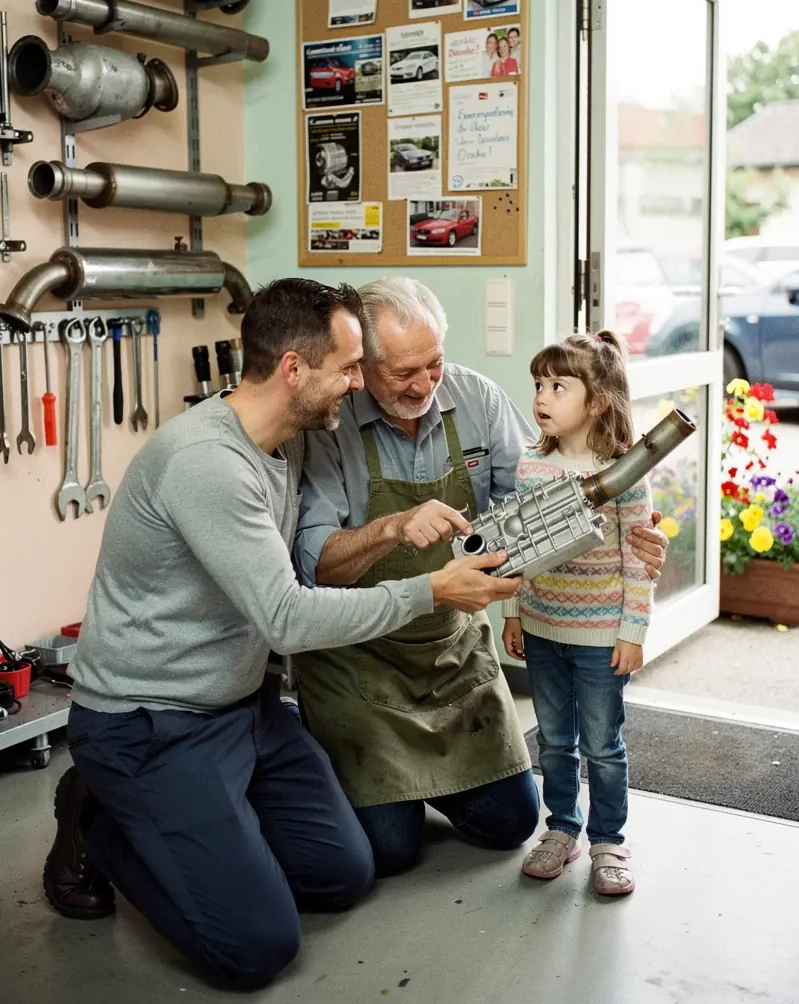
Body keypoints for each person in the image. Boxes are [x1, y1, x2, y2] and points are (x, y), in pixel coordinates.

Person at [42, 279, 521, 992]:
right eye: (350, 370)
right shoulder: (207, 463)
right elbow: (290, 616)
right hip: (152, 720)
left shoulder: (292, 438)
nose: (357, 387)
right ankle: (104, 820)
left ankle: (198, 822)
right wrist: (429, 588)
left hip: (243, 708)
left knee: (343, 873)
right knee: (257, 948)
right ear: (295, 370)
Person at [294, 279, 669, 878]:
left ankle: (420, 784)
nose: (424, 385)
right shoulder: (330, 425)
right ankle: (343, 762)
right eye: (404, 373)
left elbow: (536, 504)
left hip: (451, 656)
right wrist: (391, 529)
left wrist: (629, 533)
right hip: (360, 658)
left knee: (510, 824)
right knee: (391, 851)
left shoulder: (478, 399)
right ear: (363, 365)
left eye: (434, 363)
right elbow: (315, 565)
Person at [502, 330, 653, 897]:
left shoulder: (624, 472)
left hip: (599, 637)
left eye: (558, 386)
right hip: (541, 628)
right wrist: (514, 616)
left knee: (602, 745)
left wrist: (632, 630)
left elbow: (636, 561)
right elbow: (517, 548)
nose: (541, 396)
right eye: (539, 384)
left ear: (596, 401)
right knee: (554, 742)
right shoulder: (531, 464)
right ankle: (561, 829)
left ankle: (609, 840)